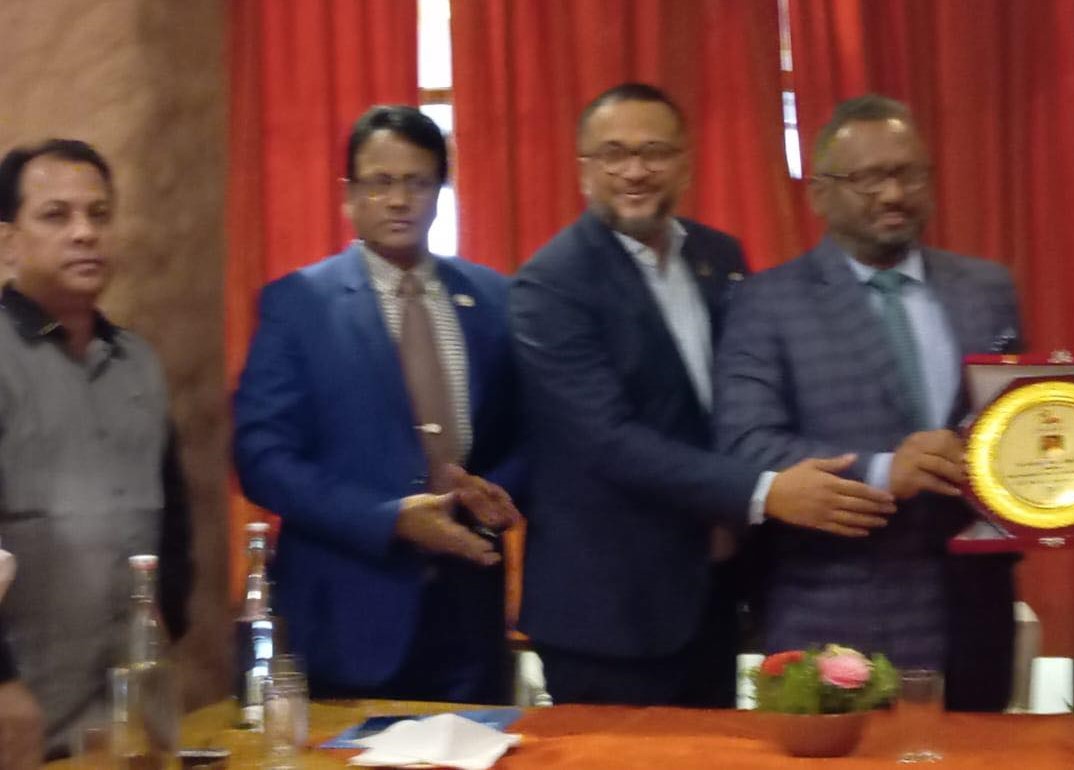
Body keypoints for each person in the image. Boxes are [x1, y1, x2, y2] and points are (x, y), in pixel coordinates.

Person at [510, 83, 896, 708]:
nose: (635, 171)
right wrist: (767, 491)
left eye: (655, 151)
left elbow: (746, 395)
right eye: (614, 154)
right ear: (584, 170)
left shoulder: (718, 255)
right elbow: (608, 442)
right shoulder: (551, 284)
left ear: (685, 164)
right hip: (611, 611)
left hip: (713, 589)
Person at [714, 95, 1022, 711]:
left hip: (975, 610)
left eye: (909, 174)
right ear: (819, 194)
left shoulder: (987, 288)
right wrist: (884, 471)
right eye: (868, 178)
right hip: (834, 610)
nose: (893, 194)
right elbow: (747, 444)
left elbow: (1016, 417)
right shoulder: (766, 302)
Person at [234, 105, 523, 703]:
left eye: (417, 182)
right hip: (347, 612)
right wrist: (387, 519)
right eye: (380, 182)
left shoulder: (494, 298)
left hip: (468, 612)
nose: (398, 200)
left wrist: (497, 490)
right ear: (348, 195)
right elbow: (262, 458)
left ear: (441, 192)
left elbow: (529, 432)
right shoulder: (299, 304)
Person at [0, 139, 192, 763]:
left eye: (99, 214)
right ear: (8, 241)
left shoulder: (138, 363)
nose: (85, 233)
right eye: (56, 216)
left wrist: (169, 621)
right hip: (23, 706)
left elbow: (174, 516)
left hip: (126, 709)